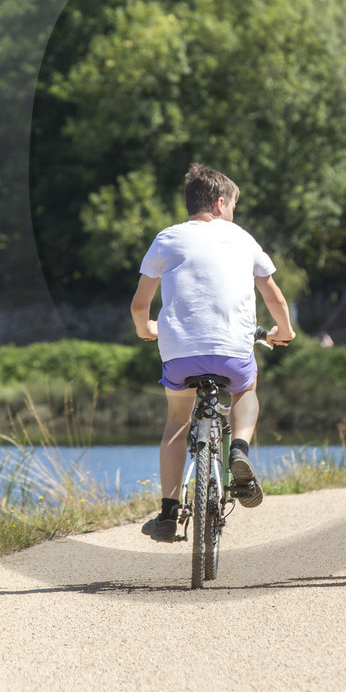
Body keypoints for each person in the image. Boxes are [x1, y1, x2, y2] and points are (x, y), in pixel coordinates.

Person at [131, 164, 295, 542]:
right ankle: (239, 449)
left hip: (180, 353)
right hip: (232, 353)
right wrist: (283, 332)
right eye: (234, 205)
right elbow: (274, 295)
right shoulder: (242, 238)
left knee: (177, 421)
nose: (234, 212)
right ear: (220, 204)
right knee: (246, 388)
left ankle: (169, 514)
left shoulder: (166, 239)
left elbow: (140, 307)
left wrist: (147, 331)